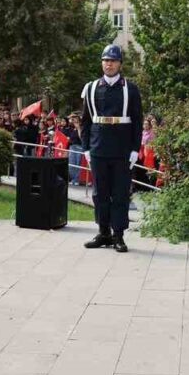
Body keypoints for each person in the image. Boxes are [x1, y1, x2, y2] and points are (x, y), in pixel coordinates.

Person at [80, 44, 143, 253]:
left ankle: (118, 235)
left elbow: (137, 120)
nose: (109, 64)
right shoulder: (90, 88)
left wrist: (135, 149)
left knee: (120, 193)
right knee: (100, 193)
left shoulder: (130, 89)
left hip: (122, 149)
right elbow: (85, 122)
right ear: (102, 63)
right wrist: (86, 148)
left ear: (120, 64)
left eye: (113, 60)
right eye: (106, 60)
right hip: (98, 148)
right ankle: (103, 232)